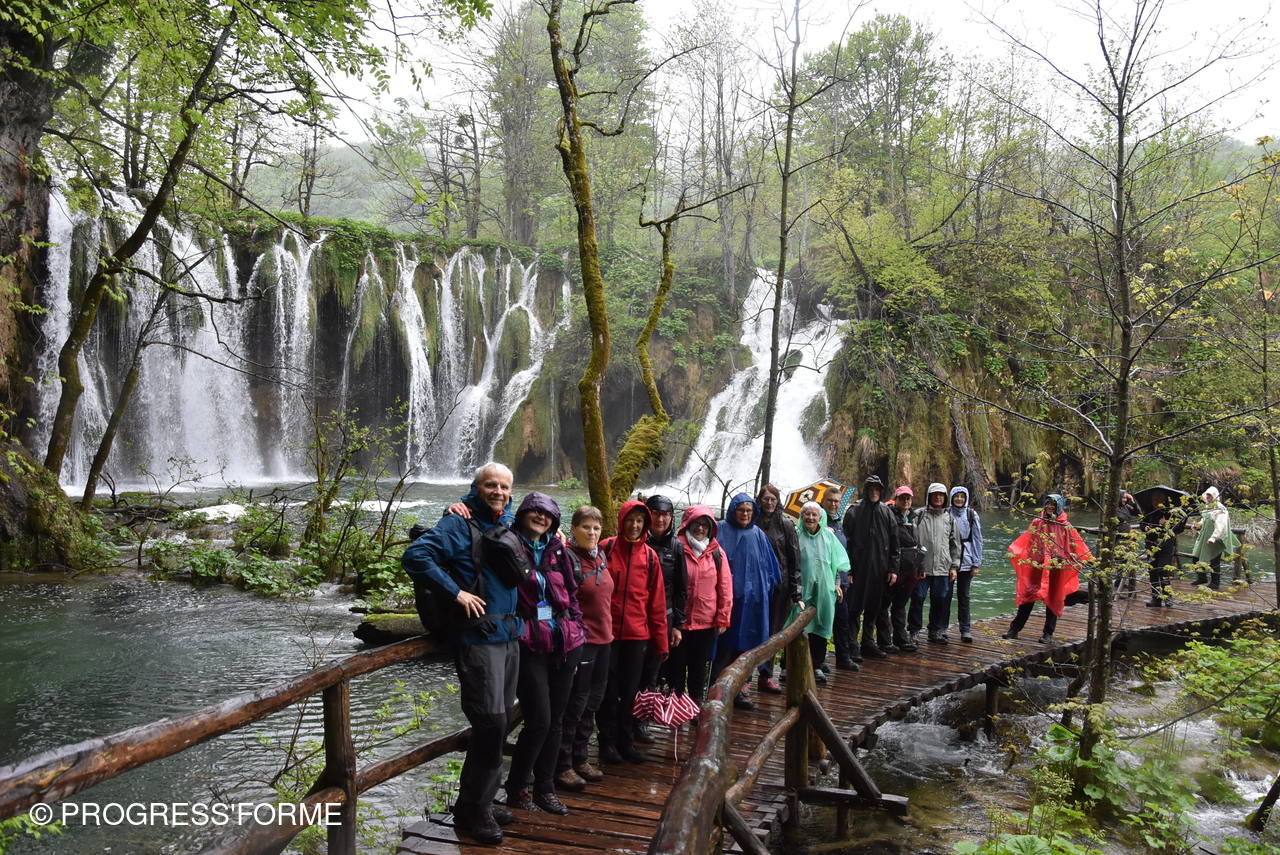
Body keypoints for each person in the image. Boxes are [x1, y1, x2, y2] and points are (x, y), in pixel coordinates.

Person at [401, 462, 521, 845]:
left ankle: (480, 800)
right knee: (490, 724)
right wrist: (456, 592)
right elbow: (416, 557)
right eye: (491, 485)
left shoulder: (508, 521)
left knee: (501, 723)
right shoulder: (458, 522)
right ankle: (473, 813)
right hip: (479, 639)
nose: (498, 491)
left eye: (504, 486)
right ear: (477, 487)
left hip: (508, 635)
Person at [503, 493, 585, 816]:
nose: (541, 517)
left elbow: (572, 595)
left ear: (554, 520)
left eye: (547, 514)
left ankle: (545, 788)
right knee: (539, 719)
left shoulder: (557, 550)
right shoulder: (509, 545)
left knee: (557, 721)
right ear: (523, 513)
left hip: (564, 642)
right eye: (535, 511)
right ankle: (517, 788)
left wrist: (577, 630)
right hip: (529, 644)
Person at [597, 500, 667, 764]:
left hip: (637, 635)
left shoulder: (650, 557)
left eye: (639, 521)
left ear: (645, 524)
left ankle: (626, 742)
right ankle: (607, 742)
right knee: (608, 691)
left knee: (630, 692)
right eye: (630, 520)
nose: (634, 525)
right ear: (622, 520)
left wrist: (661, 643)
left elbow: (657, 603)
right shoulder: (606, 548)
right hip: (608, 634)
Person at [556, 505, 613, 792]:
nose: (591, 533)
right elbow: (563, 604)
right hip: (582, 642)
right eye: (586, 527)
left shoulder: (600, 555)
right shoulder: (568, 558)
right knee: (575, 705)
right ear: (573, 529)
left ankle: (581, 758)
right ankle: (563, 764)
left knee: (592, 703)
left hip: (605, 641)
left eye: (596, 528)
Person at [713, 493, 782, 709]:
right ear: (733, 511)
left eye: (749, 511)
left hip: (753, 603)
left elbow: (771, 568)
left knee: (745, 649)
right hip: (727, 603)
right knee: (723, 650)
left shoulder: (758, 534)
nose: (744, 514)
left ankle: (739, 692)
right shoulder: (720, 530)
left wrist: (766, 591)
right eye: (741, 510)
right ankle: (716, 693)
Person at [1003, 494, 1093, 643]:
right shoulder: (1037, 522)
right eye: (1048, 504)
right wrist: (1024, 557)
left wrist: (1078, 560)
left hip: (1056, 567)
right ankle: (1014, 630)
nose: (1050, 507)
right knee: (1028, 597)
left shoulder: (1065, 526)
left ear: (1059, 506)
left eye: (1053, 504)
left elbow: (1076, 546)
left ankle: (1048, 634)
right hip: (1037, 566)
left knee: (1054, 598)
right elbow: (1029, 542)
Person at [669, 504, 732, 703]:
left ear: (711, 528)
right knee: (676, 668)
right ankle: (676, 706)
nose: (700, 528)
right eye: (696, 523)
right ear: (687, 524)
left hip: (706, 622)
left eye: (705, 524)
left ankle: (695, 706)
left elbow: (725, 586)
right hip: (679, 621)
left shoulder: (716, 552)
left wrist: (723, 617)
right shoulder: (676, 547)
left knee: (699, 668)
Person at [638, 494, 687, 742]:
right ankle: (624, 721)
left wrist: (678, 624)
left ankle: (642, 721)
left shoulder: (676, 548)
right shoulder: (636, 542)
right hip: (637, 617)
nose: (660, 519)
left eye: (666, 515)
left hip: (663, 619)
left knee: (653, 672)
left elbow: (681, 590)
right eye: (656, 514)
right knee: (631, 670)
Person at [842, 475, 899, 659]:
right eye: (871, 489)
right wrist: (848, 570)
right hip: (858, 570)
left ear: (881, 491)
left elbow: (894, 543)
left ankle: (868, 642)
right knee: (854, 609)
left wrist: (893, 569)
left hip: (880, 570)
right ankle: (852, 645)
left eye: (877, 489)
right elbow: (846, 543)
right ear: (865, 490)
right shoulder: (854, 511)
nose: (874, 492)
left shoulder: (886, 512)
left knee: (874, 608)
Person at [754, 484, 801, 694]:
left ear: (778, 501)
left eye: (773, 499)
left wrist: (796, 591)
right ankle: (745, 677)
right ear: (760, 500)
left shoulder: (785, 524)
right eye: (766, 499)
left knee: (773, 631)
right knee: (753, 629)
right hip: (756, 586)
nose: (769, 503)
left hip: (779, 587)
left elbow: (794, 559)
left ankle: (766, 675)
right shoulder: (752, 520)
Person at [794, 502, 845, 682]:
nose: (810, 518)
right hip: (802, 590)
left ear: (820, 517)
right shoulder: (796, 535)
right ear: (802, 516)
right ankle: (788, 666)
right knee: (796, 627)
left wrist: (837, 584)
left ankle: (816, 665)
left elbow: (836, 563)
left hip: (824, 589)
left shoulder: (828, 536)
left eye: (814, 515)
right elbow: (791, 564)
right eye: (807, 514)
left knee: (821, 626)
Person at [910, 483, 962, 644]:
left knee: (939, 599)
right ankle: (913, 631)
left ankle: (935, 631)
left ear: (945, 498)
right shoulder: (918, 515)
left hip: (942, 566)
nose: (938, 497)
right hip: (922, 567)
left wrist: (954, 566)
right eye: (935, 494)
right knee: (917, 598)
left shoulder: (949, 518)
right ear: (929, 496)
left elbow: (955, 544)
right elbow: (910, 538)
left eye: (941, 495)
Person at [882, 486, 921, 653]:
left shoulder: (913, 517)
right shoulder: (889, 516)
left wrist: (920, 566)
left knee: (900, 604)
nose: (906, 501)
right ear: (896, 499)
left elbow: (918, 542)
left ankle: (901, 639)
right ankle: (885, 641)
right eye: (902, 498)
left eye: (908, 498)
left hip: (910, 567)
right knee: (884, 605)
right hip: (894, 568)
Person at [823, 489, 857, 670]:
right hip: (825, 581)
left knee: (842, 621)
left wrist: (849, 573)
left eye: (836, 501)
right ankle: (819, 662)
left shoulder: (839, 523)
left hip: (842, 581)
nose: (833, 504)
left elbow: (845, 550)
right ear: (823, 501)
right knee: (822, 623)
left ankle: (843, 658)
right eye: (830, 500)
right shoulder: (818, 521)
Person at [948, 486, 984, 643]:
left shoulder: (971, 514)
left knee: (964, 596)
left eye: (962, 496)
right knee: (945, 596)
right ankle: (942, 628)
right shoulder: (946, 513)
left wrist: (976, 563)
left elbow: (977, 539)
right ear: (951, 497)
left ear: (966, 498)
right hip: (948, 560)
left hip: (967, 559)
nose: (959, 499)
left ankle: (965, 629)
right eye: (956, 496)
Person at [1141, 491, 1185, 608]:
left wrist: (1167, 524)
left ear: (1164, 500)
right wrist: (1145, 527)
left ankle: (1168, 597)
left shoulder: (1171, 512)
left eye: (1158, 499)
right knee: (1152, 571)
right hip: (1151, 544)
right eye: (1154, 499)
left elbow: (1180, 528)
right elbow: (1142, 523)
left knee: (1163, 570)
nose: (1156, 502)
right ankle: (1155, 598)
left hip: (1166, 545)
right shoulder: (1149, 510)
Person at [1191, 486, 1239, 591]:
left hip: (1215, 538)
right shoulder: (1208, 507)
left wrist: (1214, 537)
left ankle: (1215, 583)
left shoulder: (1220, 509)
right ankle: (1202, 578)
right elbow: (1205, 520)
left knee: (1214, 560)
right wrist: (1197, 525)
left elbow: (1220, 525)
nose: (1208, 497)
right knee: (1196, 557)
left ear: (1215, 496)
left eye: (1210, 495)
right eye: (1207, 495)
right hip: (1204, 536)